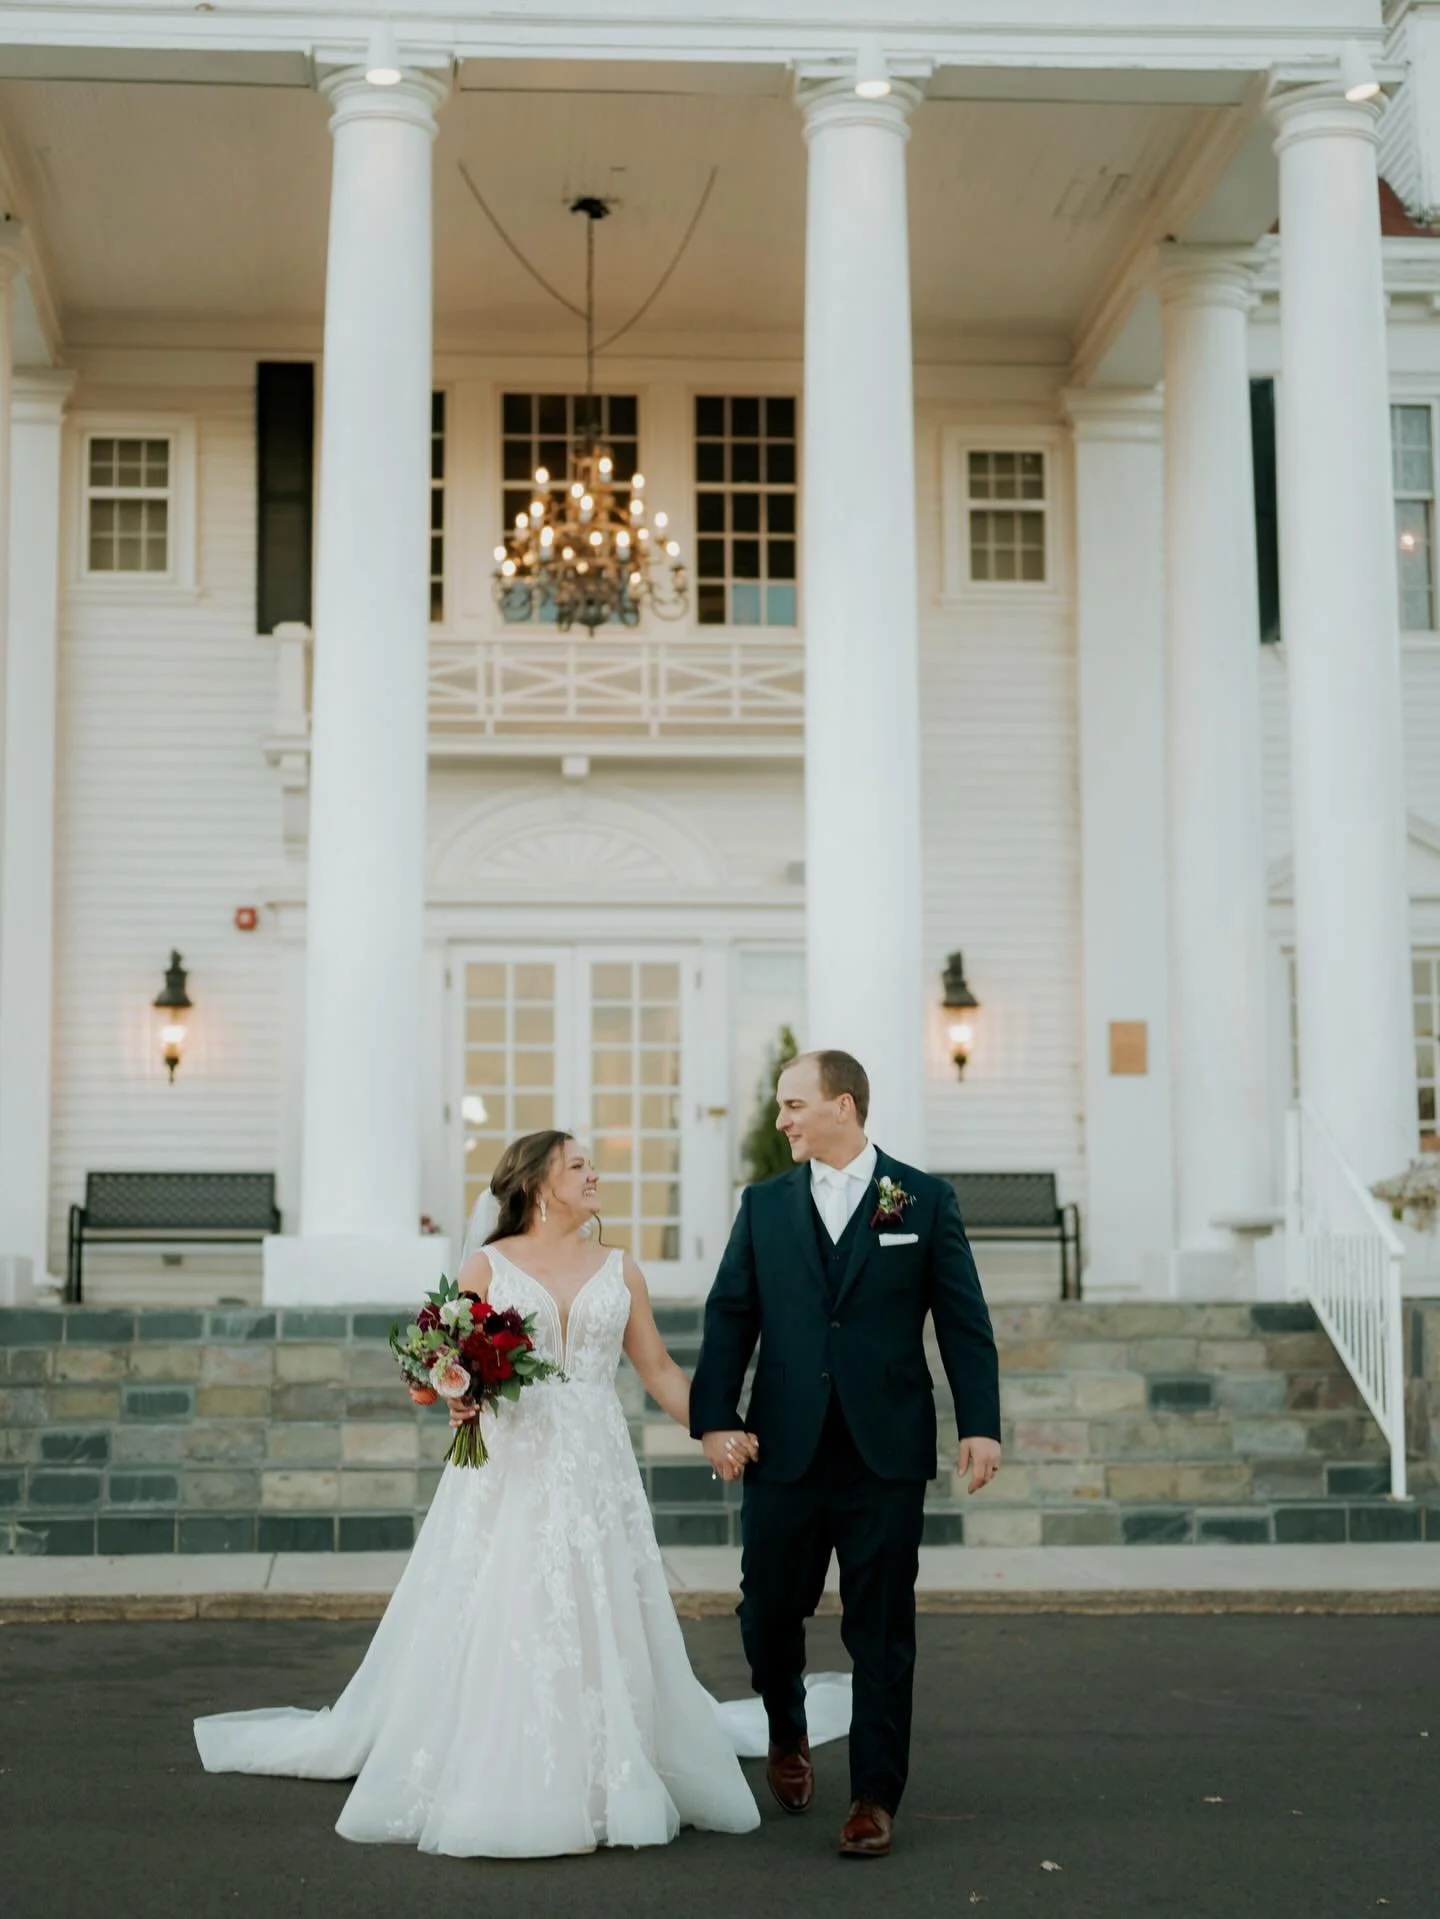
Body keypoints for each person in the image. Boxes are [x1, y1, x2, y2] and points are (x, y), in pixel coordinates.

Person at [194, 1130, 763, 1857]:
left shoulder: (621, 1268)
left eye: (592, 1163)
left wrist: (719, 1427)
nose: (595, 1173)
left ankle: (611, 1763)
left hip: (595, 1462)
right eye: (579, 1164)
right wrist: (451, 1390)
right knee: (516, 1601)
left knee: (600, 1599)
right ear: (536, 1182)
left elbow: (655, 1367)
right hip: (513, 1463)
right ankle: (514, 1768)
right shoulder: (486, 1266)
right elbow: (438, 1369)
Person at [690, 1050, 1002, 1859]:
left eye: (794, 1104)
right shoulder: (762, 1206)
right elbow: (730, 1316)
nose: (782, 1119)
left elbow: (962, 1318)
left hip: (885, 1450)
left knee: (882, 1628)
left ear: (844, 1104)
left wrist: (981, 1422)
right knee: (766, 1612)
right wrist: (713, 1419)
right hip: (782, 1445)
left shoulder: (922, 1199)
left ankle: (873, 1794)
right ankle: (787, 1730)